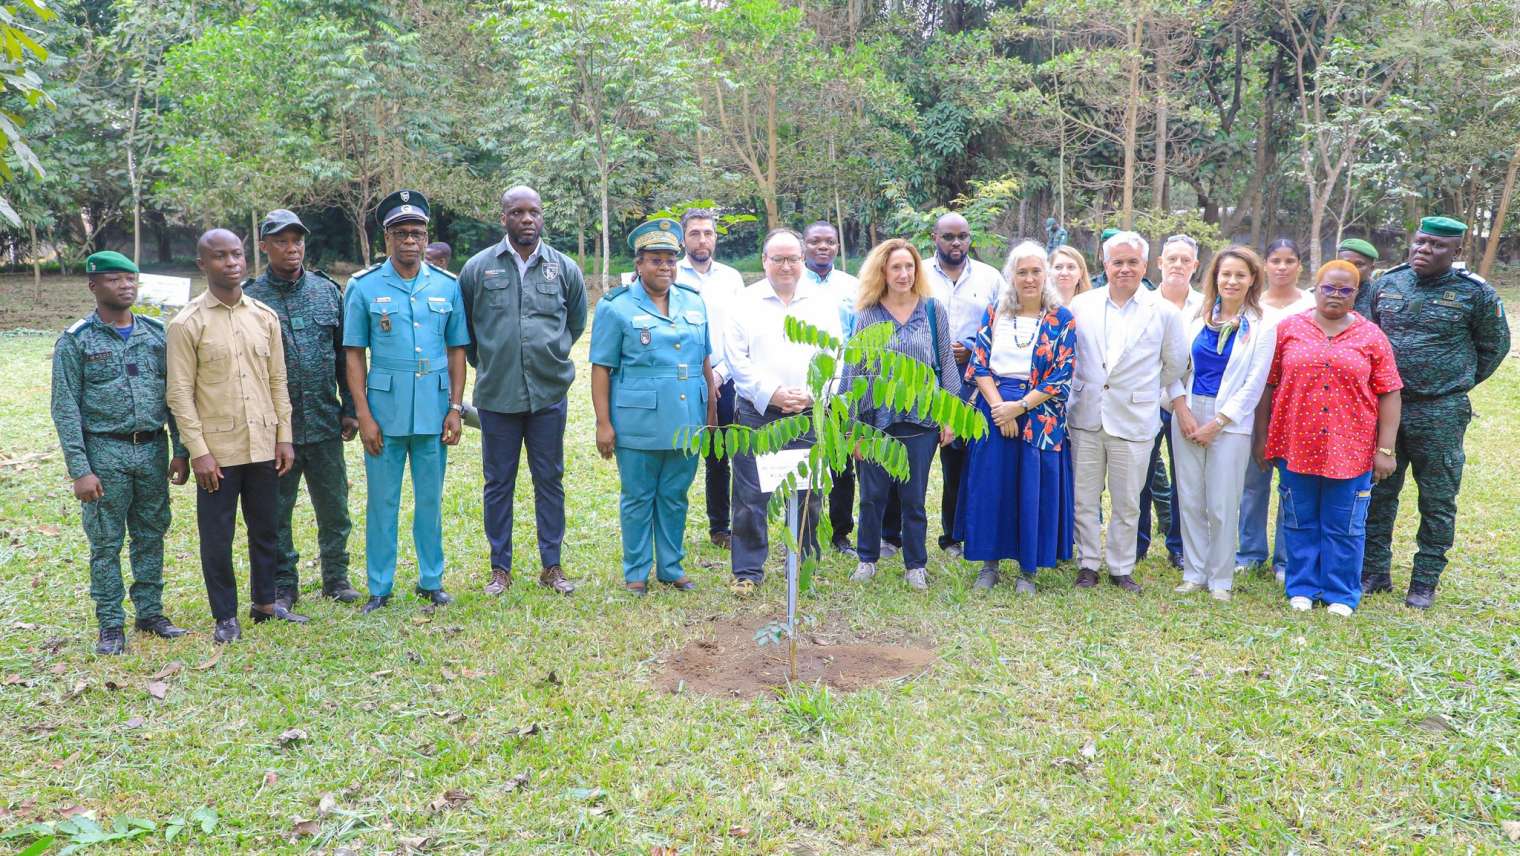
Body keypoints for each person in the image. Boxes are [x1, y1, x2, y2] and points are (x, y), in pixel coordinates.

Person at [1356, 216, 1510, 609]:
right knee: (1378, 492)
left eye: (1437, 245)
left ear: (1457, 252)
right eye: (1421, 242)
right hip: (1387, 408)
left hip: (1440, 411)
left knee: (1437, 498)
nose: (1424, 250)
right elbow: (1369, 339)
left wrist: (1455, 382)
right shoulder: (1388, 283)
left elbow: (1494, 348)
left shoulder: (1475, 294)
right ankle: (1374, 571)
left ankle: (1424, 581)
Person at [51, 251, 191, 655]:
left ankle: (150, 612)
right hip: (103, 453)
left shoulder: (155, 334)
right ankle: (111, 624)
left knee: (151, 535)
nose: (126, 286)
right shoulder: (76, 341)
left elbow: (174, 397)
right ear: (94, 285)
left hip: (151, 450)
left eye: (131, 279)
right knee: (105, 543)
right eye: (115, 280)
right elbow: (65, 408)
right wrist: (80, 469)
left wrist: (180, 450)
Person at [167, 229, 299, 643]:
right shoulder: (187, 323)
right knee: (217, 536)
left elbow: (278, 380)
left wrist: (284, 436)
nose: (232, 263)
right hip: (217, 452)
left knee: (266, 528)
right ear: (202, 265)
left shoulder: (264, 316)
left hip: (263, 443)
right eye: (220, 256)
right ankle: (225, 616)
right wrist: (198, 452)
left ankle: (264, 603)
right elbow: (179, 393)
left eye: (237, 255)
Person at [343, 190, 469, 614]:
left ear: (426, 236)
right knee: (383, 502)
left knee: (430, 500)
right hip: (384, 410)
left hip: (434, 410)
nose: (409, 241)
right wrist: (363, 414)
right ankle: (380, 586)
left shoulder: (447, 286)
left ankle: (430, 580)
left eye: (416, 232)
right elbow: (355, 354)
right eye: (400, 233)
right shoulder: (364, 287)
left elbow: (456, 351)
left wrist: (455, 407)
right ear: (387, 238)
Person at [457, 185, 586, 596]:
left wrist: (555, 351)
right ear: (504, 218)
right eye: (517, 212)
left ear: (542, 216)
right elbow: (465, 331)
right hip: (497, 395)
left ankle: (552, 566)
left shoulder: (563, 268)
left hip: (548, 393)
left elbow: (576, 321)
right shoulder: (478, 268)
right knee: (498, 483)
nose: (526, 219)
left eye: (534, 212)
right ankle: (500, 569)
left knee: (550, 480)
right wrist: (491, 362)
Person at [1256, 261, 1402, 615]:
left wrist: (1386, 449)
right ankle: (1302, 586)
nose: (1335, 295)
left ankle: (1340, 593)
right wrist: (1261, 438)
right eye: (1328, 288)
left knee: (1345, 525)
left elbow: (1390, 393)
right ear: (1315, 288)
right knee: (1298, 518)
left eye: (1345, 290)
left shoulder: (1371, 337)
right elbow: (1268, 386)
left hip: (1349, 449)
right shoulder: (1290, 329)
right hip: (1295, 445)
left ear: (1356, 293)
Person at [590, 218, 717, 594]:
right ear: (639, 264)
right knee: (638, 497)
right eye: (656, 260)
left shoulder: (692, 301)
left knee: (676, 495)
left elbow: (704, 360)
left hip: (686, 417)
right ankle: (636, 570)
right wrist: (603, 423)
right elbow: (601, 368)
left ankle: (672, 566)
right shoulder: (616, 307)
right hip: (637, 420)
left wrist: (710, 408)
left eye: (670, 260)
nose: (665, 267)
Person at [243, 209, 361, 607]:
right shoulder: (249, 299)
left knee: (334, 509)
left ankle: (336, 577)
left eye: (297, 241)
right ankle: (283, 584)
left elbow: (345, 354)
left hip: (326, 422)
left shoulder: (328, 291)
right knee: (276, 512)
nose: (291, 249)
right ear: (264, 246)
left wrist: (350, 408)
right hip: (276, 431)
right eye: (281, 241)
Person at [1067, 231, 1188, 592]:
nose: (1124, 269)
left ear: (1145, 265)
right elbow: (1070, 357)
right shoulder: (1081, 305)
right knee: (1083, 497)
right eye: (1117, 262)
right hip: (1086, 414)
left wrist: (1142, 390)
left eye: (1132, 262)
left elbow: (1174, 365)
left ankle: (1121, 566)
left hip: (1134, 418)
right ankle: (1087, 562)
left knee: (1128, 501)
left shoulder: (1163, 311)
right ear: (1104, 265)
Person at [725, 228, 844, 594]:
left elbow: (836, 358)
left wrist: (813, 395)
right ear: (764, 261)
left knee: (808, 494)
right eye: (778, 259)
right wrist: (772, 393)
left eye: (793, 258)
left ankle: (805, 566)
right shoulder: (743, 302)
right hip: (758, 413)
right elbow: (736, 360)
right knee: (750, 495)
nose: (787, 266)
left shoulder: (822, 303)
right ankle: (747, 571)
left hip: (809, 413)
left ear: (802, 260)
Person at [839, 238, 959, 591]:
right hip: (877, 420)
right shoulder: (869, 314)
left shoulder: (933, 311)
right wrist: (853, 430)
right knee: (873, 495)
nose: (904, 273)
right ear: (883, 272)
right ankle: (867, 559)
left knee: (914, 497)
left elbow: (946, 364)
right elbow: (854, 373)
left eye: (909, 266)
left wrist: (950, 416)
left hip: (921, 419)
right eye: (896, 267)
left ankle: (915, 564)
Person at [958, 241, 1075, 593]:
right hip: (994, 408)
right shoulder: (995, 312)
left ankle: (1028, 571)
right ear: (1011, 275)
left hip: (1039, 412)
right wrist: (999, 409)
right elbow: (979, 363)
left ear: (1046, 275)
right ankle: (988, 565)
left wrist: (1019, 407)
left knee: (1031, 488)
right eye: (1022, 272)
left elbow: (1060, 375)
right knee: (991, 485)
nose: (1029, 278)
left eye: (1036, 271)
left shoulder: (1061, 318)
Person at [1166, 246, 1273, 601]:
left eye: (1240, 275)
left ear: (1252, 279)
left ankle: (1220, 580)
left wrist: (1219, 422)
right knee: (1191, 497)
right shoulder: (1195, 317)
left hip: (1231, 420)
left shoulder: (1262, 324)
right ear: (1215, 277)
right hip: (1189, 410)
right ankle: (1194, 572)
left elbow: (1254, 383)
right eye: (1225, 274)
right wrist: (1181, 409)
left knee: (1222, 502)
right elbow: (1172, 368)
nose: (1231, 280)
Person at [801, 220, 902, 559]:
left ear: (837, 247)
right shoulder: (796, 284)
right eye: (815, 241)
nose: (823, 247)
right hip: (812, 386)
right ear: (805, 245)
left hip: (852, 387)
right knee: (816, 462)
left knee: (849, 462)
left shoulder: (852, 285)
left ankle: (842, 532)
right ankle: (805, 531)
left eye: (829, 241)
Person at [925, 212, 1006, 559]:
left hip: (971, 381)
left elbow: (1004, 324)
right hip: (922, 379)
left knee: (961, 462)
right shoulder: (919, 274)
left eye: (962, 236)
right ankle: (890, 535)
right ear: (935, 238)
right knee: (910, 457)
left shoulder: (989, 277)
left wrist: (971, 349)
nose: (956, 243)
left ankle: (955, 535)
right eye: (948, 237)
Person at [1236, 237, 1315, 582]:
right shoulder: (1251, 306)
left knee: (1291, 485)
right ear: (1264, 266)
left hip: (1298, 407)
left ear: (1300, 265)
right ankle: (1249, 552)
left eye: (1289, 261)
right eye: (1275, 261)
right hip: (1255, 404)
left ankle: (1285, 559)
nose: (1282, 267)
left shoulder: (1312, 305)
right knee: (1252, 481)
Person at [675, 208, 747, 550]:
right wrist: (701, 376)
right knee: (682, 452)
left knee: (724, 454)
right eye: (694, 234)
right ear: (683, 238)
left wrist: (719, 373)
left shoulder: (731, 278)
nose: (702, 240)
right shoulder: (672, 275)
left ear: (715, 237)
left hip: (727, 377)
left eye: (708, 233)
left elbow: (740, 332)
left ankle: (721, 527)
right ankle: (671, 525)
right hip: (684, 380)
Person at [1139, 234, 1205, 570]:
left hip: (1191, 408)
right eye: (1171, 259)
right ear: (1160, 263)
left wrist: (1181, 404)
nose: (1178, 265)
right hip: (1147, 402)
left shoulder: (1208, 307)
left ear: (1195, 266)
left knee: (1185, 481)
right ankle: (1136, 545)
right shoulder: (1142, 304)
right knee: (1140, 477)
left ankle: (1179, 546)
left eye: (1185, 260)